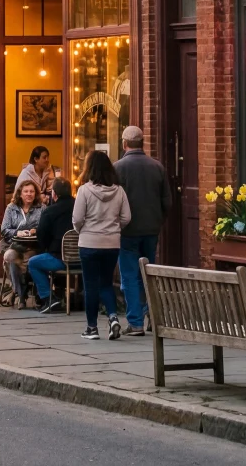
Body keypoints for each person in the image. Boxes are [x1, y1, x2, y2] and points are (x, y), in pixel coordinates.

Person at [116, 125, 172, 334]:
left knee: (129, 275)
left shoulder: (118, 168)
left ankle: (135, 322)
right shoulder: (157, 167)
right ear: (143, 143)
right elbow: (167, 201)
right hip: (151, 230)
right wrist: (158, 221)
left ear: (124, 143)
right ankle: (153, 317)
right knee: (149, 273)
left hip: (127, 231)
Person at [73, 149, 132, 340]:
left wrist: (81, 230)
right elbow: (126, 217)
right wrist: (114, 227)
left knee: (90, 285)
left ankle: (92, 328)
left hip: (89, 242)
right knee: (106, 283)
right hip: (111, 243)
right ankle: (113, 317)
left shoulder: (84, 190)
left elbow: (77, 218)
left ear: (89, 169)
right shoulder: (119, 191)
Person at [26, 179, 75, 313]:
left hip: (60, 259)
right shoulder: (79, 206)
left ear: (54, 194)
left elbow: (42, 236)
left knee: (33, 263)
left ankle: (48, 299)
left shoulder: (49, 211)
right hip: (82, 259)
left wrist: (47, 248)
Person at [0, 179, 44, 307]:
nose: (29, 194)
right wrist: (17, 233)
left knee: (26, 260)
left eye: (32, 191)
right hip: (16, 244)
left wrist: (36, 231)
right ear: (20, 193)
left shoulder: (41, 208)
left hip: (33, 246)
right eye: (26, 191)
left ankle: (20, 294)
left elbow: (45, 229)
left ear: (35, 194)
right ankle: (21, 289)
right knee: (9, 257)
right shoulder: (11, 208)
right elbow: (4, 229)